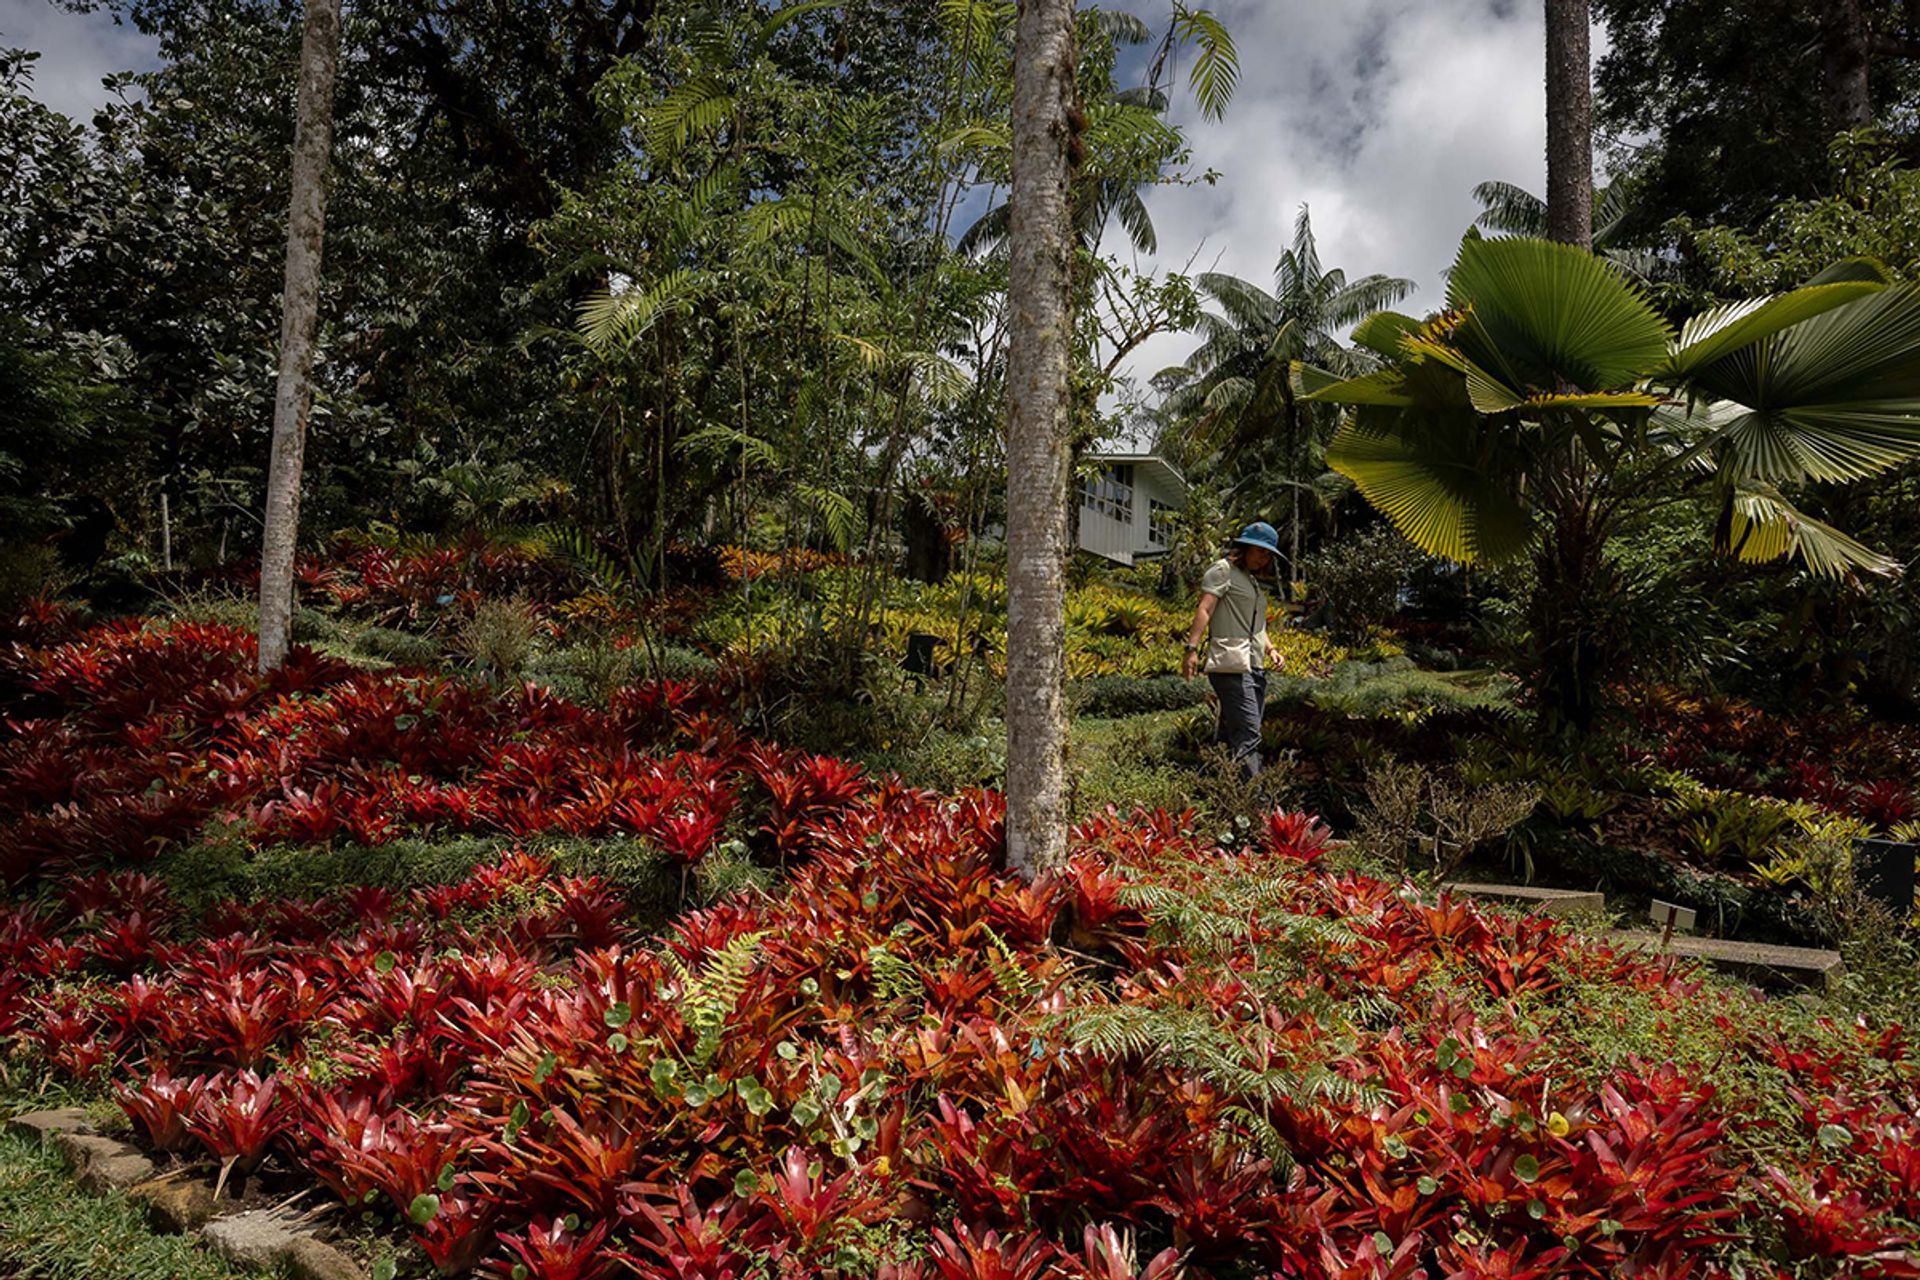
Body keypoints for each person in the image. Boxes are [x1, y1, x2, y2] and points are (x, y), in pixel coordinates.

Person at [1181, 521, 1285, 779]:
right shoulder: (1222, 570)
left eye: (1268, 554)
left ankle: (1209, 785)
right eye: (1261, 551)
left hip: (1255, 666)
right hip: (1232, 665)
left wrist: (1271, 649)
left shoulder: (1252, 582)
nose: (1265, 558)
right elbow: (1205, 609)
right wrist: (1191, 649)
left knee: (1230, 734)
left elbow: (1257, 625)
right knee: (1250, 734)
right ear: (1246, 547)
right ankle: (1254, 800)